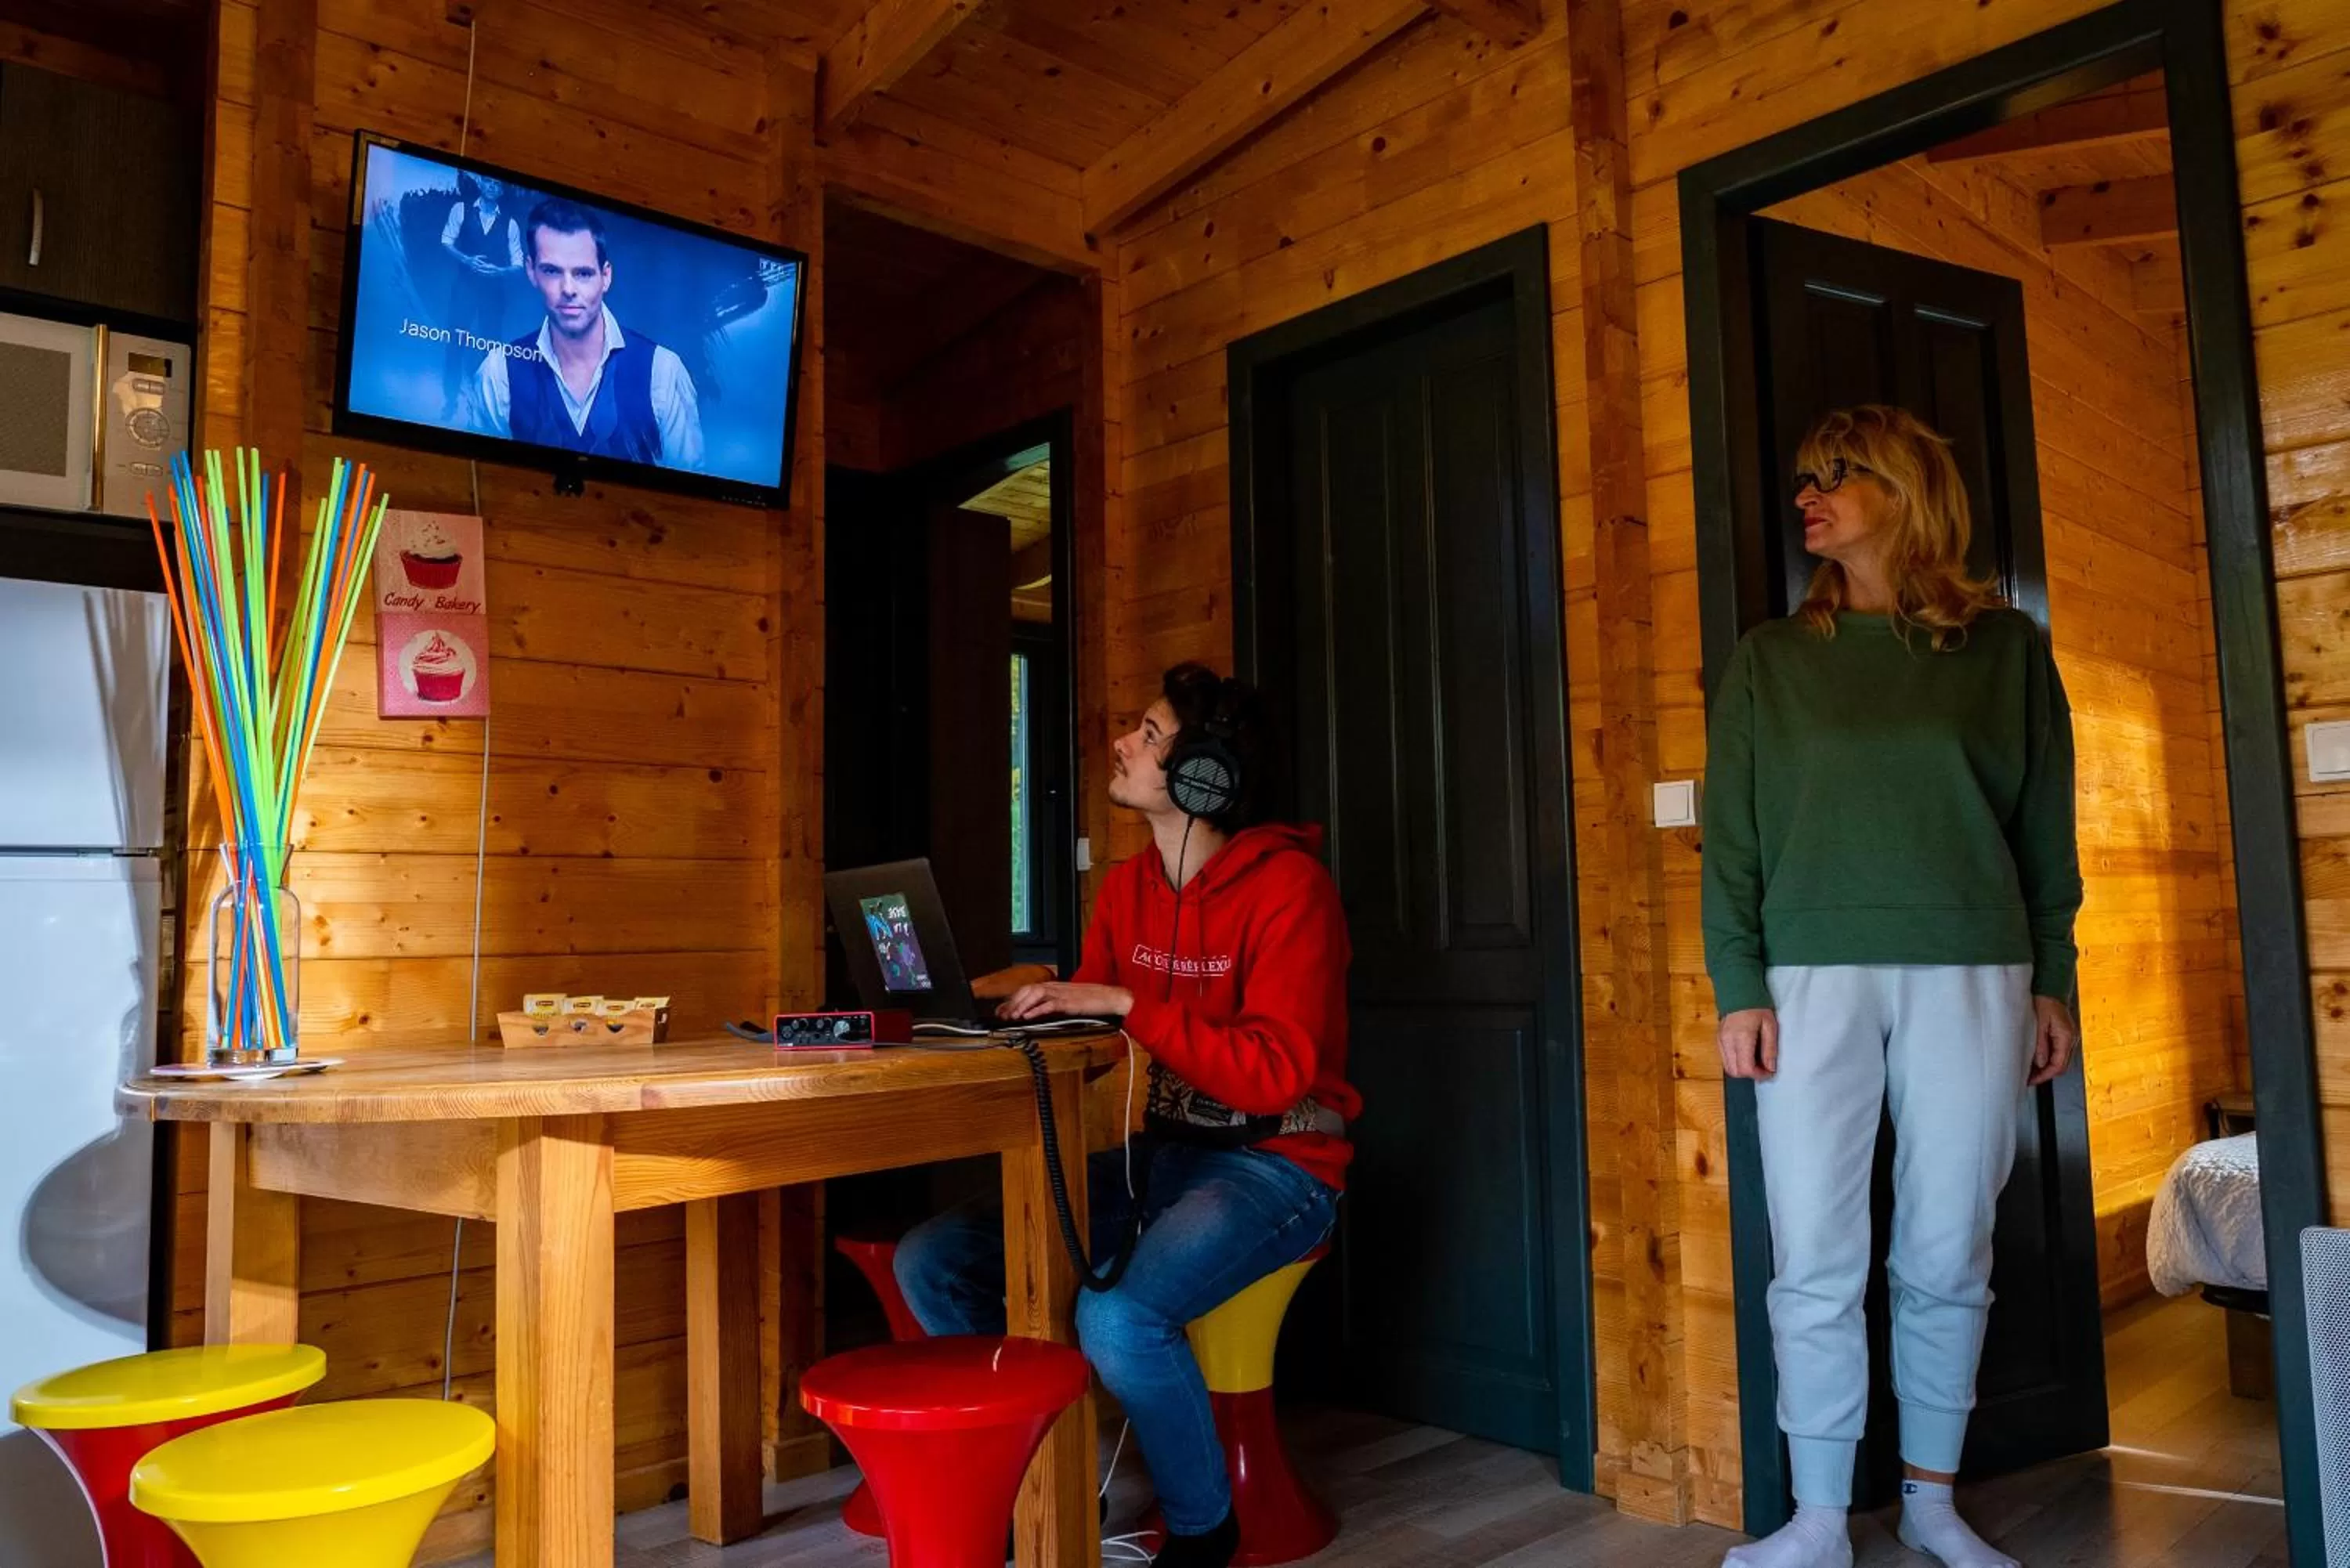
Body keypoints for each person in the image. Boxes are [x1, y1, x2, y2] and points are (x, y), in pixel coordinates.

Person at [1701, 405, 2082, 1568]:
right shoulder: (1773, 658)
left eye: (1838, 475)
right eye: (1803, 476)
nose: (1808, 495)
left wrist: (2053, 978)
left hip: (1975, 968)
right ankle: (1818, 1518)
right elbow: (1733, 843)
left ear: (1907, 489)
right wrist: (1739, 983)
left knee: (1947, 1240)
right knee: (1812, 1246)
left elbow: (2043, 833)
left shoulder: (2006, 653)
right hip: (1810, 977)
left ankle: (1930, 1500)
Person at [895, 663, 1360, 1568]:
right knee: (934, 1259)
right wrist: (971, 1001)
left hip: (1280, 1166)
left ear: (1206, 776)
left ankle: (1202, 1527)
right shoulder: (1129, 887)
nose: (1121, 742)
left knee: (1120, 1320)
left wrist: (1126, 1003)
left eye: (1148, 734)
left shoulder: (1292, 891)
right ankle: (1031, 1481)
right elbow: (1093, 1015)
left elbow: (1272, 1072)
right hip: (1164, 1158)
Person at [464, 197, 703, 469]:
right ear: (531, 271)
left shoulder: (663, 370)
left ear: (606, 276)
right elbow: (486, 482)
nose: (568, 289)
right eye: (552, 271)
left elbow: (690, 495)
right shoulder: (498, 372)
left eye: (583, 274)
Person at [437, 172, 525, 419]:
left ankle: (484, 407)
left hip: (493, 294)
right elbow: (446, 241)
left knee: (490, 348)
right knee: (455, 342)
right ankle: (450, 400)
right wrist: (467, 260)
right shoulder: (461, 210)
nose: (492, 185)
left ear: (501, 190)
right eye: (488, 180)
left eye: (497, 182)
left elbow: (518, 263)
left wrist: (501, 271)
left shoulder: (510, 224)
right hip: (464, 289)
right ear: (480, 183)